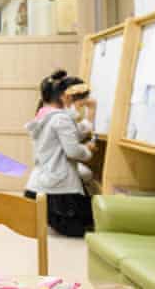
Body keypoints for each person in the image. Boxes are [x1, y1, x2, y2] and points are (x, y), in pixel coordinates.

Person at [25, 70, 96, 237]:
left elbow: (72, 133)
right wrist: (88, 151)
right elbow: (72, 150)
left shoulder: (43, 114)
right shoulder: (60, 118)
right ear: (66, 97)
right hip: (58, 191)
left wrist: (89, 115)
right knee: (87, 227)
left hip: (40, 185)